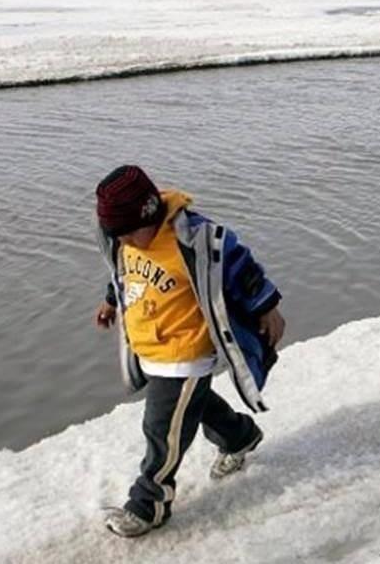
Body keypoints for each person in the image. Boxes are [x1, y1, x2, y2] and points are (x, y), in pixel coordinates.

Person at [93, 165, 285, 537]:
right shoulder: (127, 239)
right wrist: (111, 302)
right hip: (150, 347)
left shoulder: (195, 238)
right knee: (191, 405)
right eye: (120, 236)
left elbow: (242, 268)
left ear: (149, 213)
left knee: (161, 429)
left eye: (130, 233)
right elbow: (122, 271)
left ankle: (149, 504)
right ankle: (238, 436)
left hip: (186, 352)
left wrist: (267, 306)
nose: (126, 242)